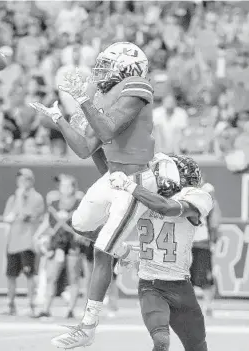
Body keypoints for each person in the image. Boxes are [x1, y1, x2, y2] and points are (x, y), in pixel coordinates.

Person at [30, 41, 179, 348]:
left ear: (129, 68)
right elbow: (86, 148)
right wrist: (58, 119)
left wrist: (84, 101)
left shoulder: (138, 86)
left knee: (101, 250)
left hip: (136, 177)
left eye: (108, 65)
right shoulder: (101, 95)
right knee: (79, 223)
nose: (101, 72)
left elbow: (108, 131)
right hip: (115, 177)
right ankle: (129, 253)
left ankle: (87, 327)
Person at [108, 155, 213, 351]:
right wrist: (124, 250)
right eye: (186, 175)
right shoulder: (141, 195)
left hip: (181, 286)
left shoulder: (196, 197)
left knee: (198, 347)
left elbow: (167, 208)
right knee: (161, 341)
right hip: (151, 286)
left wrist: (129, 186)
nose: (191, 181)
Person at [34, 174, 85, 319]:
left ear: (74, 187)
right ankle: (46, 308)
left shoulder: (79, 203)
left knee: (73, 276)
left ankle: (70, 309)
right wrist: (37, 234)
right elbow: (47, 220)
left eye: (68, 185)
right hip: (58, 241)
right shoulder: (54, 203)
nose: (64, 188)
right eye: (62, 185)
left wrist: (81, 233)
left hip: (73, 242)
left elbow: (86, 220)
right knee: (52, 275)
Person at [2, 168, 45, 316]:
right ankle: (10, 304)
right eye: (20, 179)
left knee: (29, 274)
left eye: (25, 179)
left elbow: (24, 215)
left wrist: (20, 198)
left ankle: (32, 304)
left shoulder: (36, 197)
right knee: (11, 275)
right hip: (13, 242)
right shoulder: (12, 198)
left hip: (28, 242)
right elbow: (7, 217)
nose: (22, 182)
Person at [190, 182, 221, 317]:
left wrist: (213, 241)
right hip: (192, 244)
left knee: (204, 278)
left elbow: (214, 223)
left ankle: (207, 306)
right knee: (190, 278)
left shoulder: (210, 205)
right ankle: (201, 306)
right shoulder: (191, 201)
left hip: (201, 243)